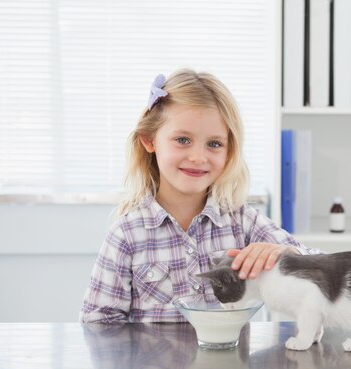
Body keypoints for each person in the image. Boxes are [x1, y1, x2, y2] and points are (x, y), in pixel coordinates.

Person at [80, 69, 318, 323]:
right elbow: (98, 322)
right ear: (149, 141)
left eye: (214, 144)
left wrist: (284, 253)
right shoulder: (126, 234)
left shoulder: (242, 221)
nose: (198, 157)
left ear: (229, 151)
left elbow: (323, 269)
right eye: (183, 139)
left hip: (231, 363)